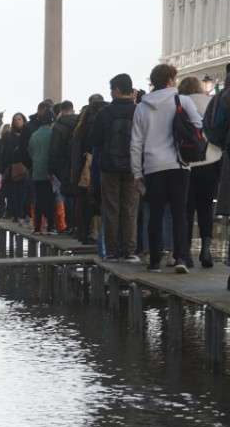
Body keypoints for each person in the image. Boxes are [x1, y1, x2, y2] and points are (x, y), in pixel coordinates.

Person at [132, 63, 201, 273]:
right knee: (179, 213)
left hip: (153, 166)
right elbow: (198, 125)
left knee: (155, 214)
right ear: (170, 80)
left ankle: (154, 261)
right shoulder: (182, 100)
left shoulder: (142, 107)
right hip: (178, 164)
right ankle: (180, 258)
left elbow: (136, 143)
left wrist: (136, 173)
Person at [90, 74, 141, 262]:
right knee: (130, 209)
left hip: (109, 166)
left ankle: (112, 251)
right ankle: (129, 250)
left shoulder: (105, 113)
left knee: (111, 208)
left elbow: (95, 140)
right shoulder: (138, 111)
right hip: (133, 167)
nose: (110, 93)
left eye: (112, 89)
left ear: (117, 90)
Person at [179, 76, 222, 268]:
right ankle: (206, 249)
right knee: (206, 207)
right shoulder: (212, 103)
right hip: (211, 160)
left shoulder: (180, 104)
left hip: (186, 161)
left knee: (186, 208)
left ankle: (186, 252)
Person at [71, 96, 105, 246]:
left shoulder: (80, 127)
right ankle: (96, 234)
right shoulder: (100, 123)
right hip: (97, 167)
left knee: (83, 202)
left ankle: (83, 233)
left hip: (82, 170)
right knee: (97, 202)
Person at [48, 100, 79, 233]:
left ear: (61, 111)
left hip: (63, 165)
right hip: (79, 162)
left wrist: (51, 169)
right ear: (72, 109)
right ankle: (78, 225)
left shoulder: (58, 126)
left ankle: (69, 225)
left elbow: (54, 149)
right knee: (78, 195)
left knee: (67, 194)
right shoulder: (80, 122)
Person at [0, 113, 31, 223]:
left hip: (26, 167)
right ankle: (16, 214)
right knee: (14, 193)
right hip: (13, 168)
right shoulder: (9, 136)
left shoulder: (27, 133)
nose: (17, 121)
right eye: (15, 119)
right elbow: (4, 154)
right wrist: (3, 170)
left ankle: (23, 214)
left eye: (19, 119)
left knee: (24, 193)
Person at [28, 112, 56, 234]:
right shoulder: (52, 134)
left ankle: (37, 227)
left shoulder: (34, 135)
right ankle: (50, 227)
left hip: (37, 170)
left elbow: (30, 151)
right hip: (50, 172)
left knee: (38, 200)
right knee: (50, 200)